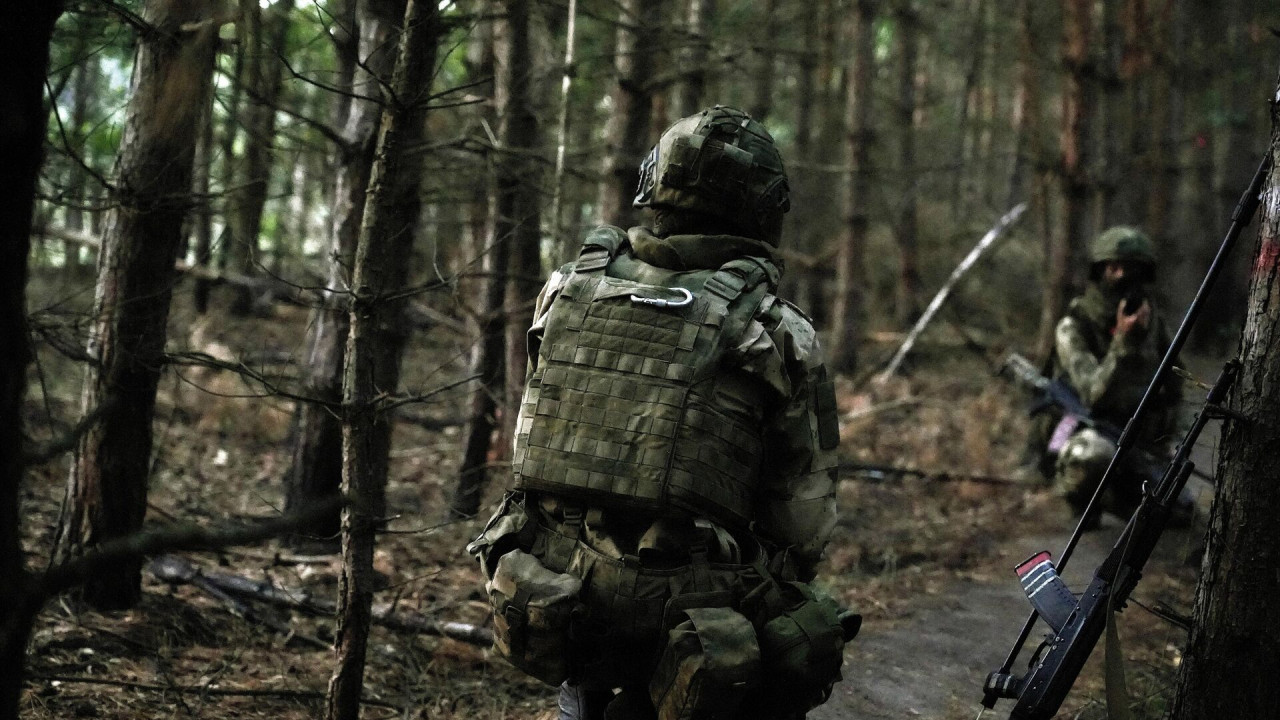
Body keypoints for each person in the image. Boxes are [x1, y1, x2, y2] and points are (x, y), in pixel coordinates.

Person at [467, 106, 854, 720]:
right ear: (763, 206)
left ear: (656, 184)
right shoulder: (776, 328)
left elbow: (531, 446)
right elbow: (803, 520)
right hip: (694, 615)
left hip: (558, 589)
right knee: (803, 630)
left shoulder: (566, 288)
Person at [1045, 226, 1183, 523]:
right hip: (1091, 431)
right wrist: (1122, 343)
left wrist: (1172, 442)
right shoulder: (1074, 325)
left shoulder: (1154, 325)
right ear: (1099, 271)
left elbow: (1176, 387)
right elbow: (1093, 396)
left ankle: (1124, 496)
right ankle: (1086, 499)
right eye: (1114, 267)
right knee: (1090, 457)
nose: (1122, 276)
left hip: (1141, 440)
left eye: (1132, 269)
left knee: (1179, 510)